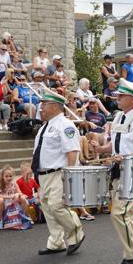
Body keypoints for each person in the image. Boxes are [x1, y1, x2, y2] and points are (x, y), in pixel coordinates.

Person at [90, 80, 133, 264]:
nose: (117, 98)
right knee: (124, 215)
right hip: (118, 170)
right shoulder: (118, 118)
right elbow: (115, 145)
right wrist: (101, 149)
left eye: (122, 96)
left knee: (119, 213)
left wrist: (127, 158)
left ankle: (131, 256)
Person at [31, 88, 85, 255]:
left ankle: (76, 233)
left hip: (59, 172)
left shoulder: (65, 125)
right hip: (44, 174)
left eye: (44, 104)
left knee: (56, 206)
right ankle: (56, 242)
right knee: (47, 207)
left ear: (55, 106)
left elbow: (72, 151)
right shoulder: (45, 126)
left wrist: (68, 174)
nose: (41, 108)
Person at [0, 165, 32, 230]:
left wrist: (22, 195)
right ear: (2, 176)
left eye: (10, 176)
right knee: (0, 199)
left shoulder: (14, 184)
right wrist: (9, 197)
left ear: (13, 176)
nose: (8, 178)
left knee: (22, 198)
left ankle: (26, 217)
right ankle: (0, 220)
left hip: (11, 202)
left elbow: (20, 193)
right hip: (1, 203)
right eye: (6, 176)